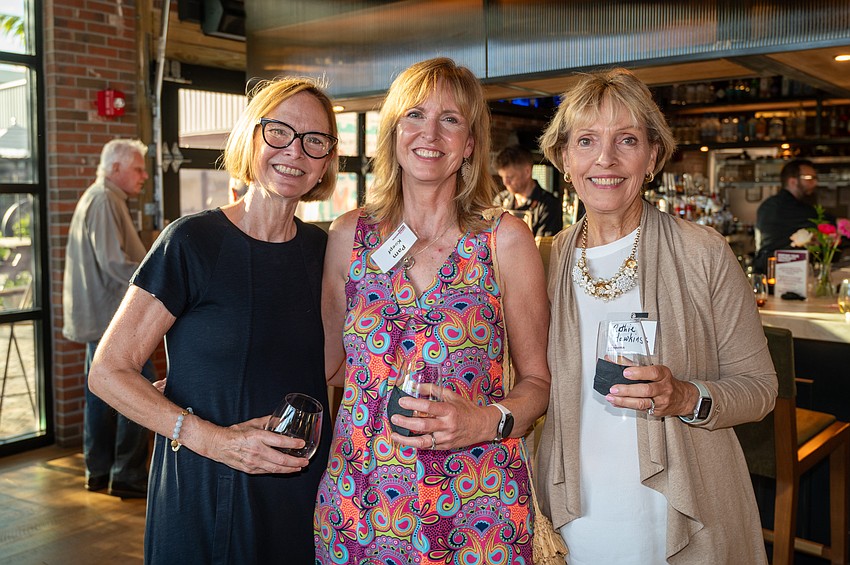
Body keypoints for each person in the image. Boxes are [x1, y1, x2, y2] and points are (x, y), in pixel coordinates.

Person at [88, 77, 338, 563]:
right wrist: (217, 441)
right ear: (251, 136)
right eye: (279, 131)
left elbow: (333, 365)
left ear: (327, 159)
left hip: (296, 487)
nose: (296, 151)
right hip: (204, 481)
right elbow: (108, 371)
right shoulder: (193, 242)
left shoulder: (322, 251)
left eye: (315, 140)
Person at [536, 68, 778, 564]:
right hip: (572, 516)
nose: (605, 159)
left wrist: (686, 395)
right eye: (586, 140)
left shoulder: (702, 252)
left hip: (682, 512)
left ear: (652, 157)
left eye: (627, 139)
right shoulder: (542, 261)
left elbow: (759, 388)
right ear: (564, 158)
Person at [315, 57, 551, 563]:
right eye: (414, 115)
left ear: (469, 144)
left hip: (476, 504)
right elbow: (330, 367)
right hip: (361, 502)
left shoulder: (504, 240)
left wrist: (486, 420)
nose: (430, 133)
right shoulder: (346, 237)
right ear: (393, 132)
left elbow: (537, 384)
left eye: (450, 119)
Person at [62, 138, 157, 498]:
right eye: (137, 168)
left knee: (101, 397)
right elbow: (114, 262)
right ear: (115, 168)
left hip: (104, 317)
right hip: (111, 320)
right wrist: (161, 273)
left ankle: (100, 471)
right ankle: (127, 474)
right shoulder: (104, 200)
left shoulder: (105, 197)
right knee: (139, 391)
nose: (144, 175)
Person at [754, 159, 831, 273]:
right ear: (792, 181)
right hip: (774, 270)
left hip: (775, 267)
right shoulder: (786, 207)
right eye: (809, 178)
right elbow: (823, 222)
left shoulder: (769, 203)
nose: (815, 183)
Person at [493, 144, 563, 236]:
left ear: (527, 172)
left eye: (510, 177)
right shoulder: (501, 200)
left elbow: (545, 247)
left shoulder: (548, 205)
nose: (505, 182)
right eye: (502, 177)